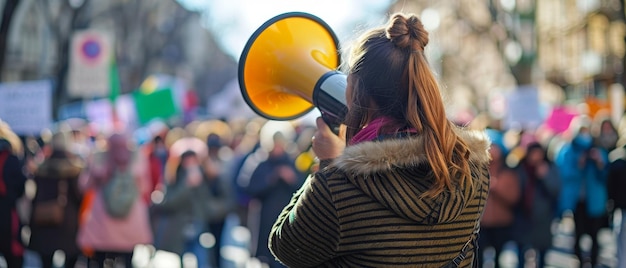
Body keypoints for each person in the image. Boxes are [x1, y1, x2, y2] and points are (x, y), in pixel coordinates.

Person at [268, 12, 491, 267]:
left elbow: (284, 246)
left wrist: (327, 165)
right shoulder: (473, 169)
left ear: (356, 92)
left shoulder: (337, 189)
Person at [77, 133, 153, 268]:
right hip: (131, 217)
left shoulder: (99, 158)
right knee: (127, 260)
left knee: (100, 260)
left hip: (102, 220)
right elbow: (144, 188)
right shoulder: (137, 159)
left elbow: (84, 186)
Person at [245, 122, 305, 268]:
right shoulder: (260, 162)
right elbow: (249, 187)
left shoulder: (291, 162)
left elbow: (304, 187)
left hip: (287, 217)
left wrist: (291, 178)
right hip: (266, 217)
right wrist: (271, 178)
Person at [555, 116, 609, 267]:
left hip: (595, 200)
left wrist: (599, 163)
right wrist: (579, 164)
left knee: (594, 234)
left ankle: (594, 261)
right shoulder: (568, 151)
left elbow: (605, 176)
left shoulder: (598, 150)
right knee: (578, 233)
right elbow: (564, 174)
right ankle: (579, 260)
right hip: (578, 200)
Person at [28, 131, 85, 268]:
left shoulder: (41, 167)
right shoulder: (74, 167)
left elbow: (34, 193)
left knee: (46, 259)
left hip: (44, 217)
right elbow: (78, 195)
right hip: (68, 218)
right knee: (70, 258)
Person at [151, 150, 213, 268]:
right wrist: (187, 186)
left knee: (202, 258)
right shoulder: (174, 178)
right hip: (179, 226)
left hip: (198, 223)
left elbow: (207, 200)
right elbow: (170, 202)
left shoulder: (203, 176)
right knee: (182, 257)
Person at [513, 142, 561, 267]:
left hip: (543, 217)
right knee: (521, 250)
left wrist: (545, 176)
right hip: (523, 216)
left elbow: (556, 190)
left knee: (542, 251)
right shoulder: (521, 168)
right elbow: (515, 190)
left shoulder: (550, 167)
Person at [479, 132, 520, 268]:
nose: (492, 151)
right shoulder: (478, 171)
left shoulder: (508, 172)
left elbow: (513, 198)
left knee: (499, 257)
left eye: (494, 147)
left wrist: (496, 188)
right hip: (481, 224)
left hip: (501, 223)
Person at [0, 138, 26, 268]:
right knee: (12, 251)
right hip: (8, 210)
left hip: (7, 207)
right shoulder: (13, 160)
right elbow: (21, 186)